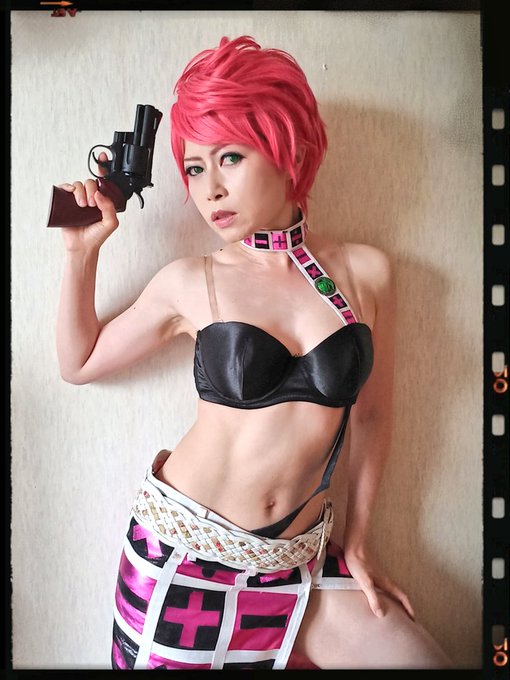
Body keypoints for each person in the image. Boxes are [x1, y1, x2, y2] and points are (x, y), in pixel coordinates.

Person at [55, 35, 453, 670]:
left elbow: (374, 416)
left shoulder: (367, 274)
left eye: (230, 158)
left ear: (288, 148)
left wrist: (359, 542)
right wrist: (82, 255)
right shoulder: (192, 281)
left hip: (297, 565)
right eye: (194, 168)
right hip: (182, 562)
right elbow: (78, 363)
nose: (210, 189)